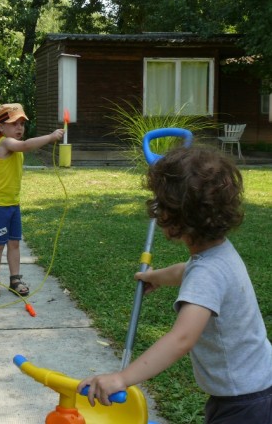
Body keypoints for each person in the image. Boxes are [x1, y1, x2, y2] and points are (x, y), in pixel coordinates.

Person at [77, 146, 272, 423]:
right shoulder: (218, 255)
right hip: (253, 387)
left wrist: (122, 377)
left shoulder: (207, 273)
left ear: (176, 217)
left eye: (161, 204)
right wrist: (155, 277)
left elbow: (182, 338)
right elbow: (186, 272)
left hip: (244, 403)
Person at [0, 103, 64, 299]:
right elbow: (26, 145)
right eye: (14, 124)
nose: (19, 128)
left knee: (14, 244)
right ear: (1, 127)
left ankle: (15, 279)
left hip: (13, 204)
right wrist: (51, 137)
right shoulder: (4, 143)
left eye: (22, 123)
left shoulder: (8, 139)